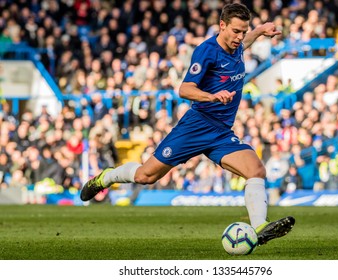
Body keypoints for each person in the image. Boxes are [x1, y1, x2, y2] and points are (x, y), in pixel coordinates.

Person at [81, 3, 295, 246]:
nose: (240, 37)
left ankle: (259, 228)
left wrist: (259, 31)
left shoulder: (237, 46)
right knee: (146, 175)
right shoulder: (206, 51)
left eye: (244, 32)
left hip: (221, 132)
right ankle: (106, 178)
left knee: (256, 170)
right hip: (196, 126)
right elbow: (184, 89)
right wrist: (212, 96)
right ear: (221, 25)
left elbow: (243, 45)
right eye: (236, 31)